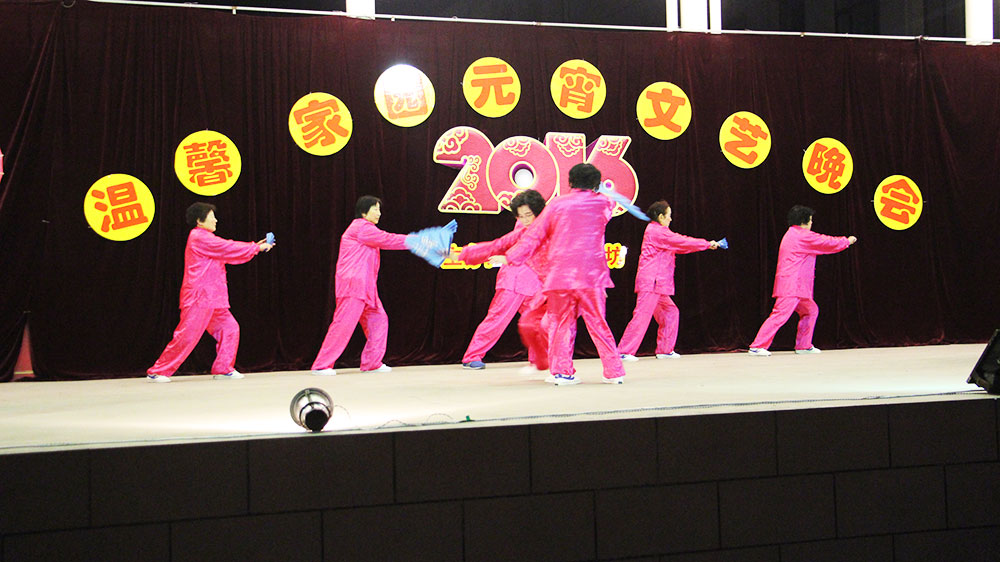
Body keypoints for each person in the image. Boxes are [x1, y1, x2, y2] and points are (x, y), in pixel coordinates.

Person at [505, 163, 626, 385]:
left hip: (562, 275)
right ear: (595, 183)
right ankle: (614, 372)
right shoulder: (605, 203)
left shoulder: (557, 205)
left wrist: (510, 256)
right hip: (592, 275)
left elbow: (534, 236)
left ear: (570, 181)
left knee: (560, 323)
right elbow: (607, 210)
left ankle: (561, 372)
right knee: (598, 323)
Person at [146, 202, 273, 382]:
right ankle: (158, 370)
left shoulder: (207, 239)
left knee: (230, 328)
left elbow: (229, 253)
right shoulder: (198, 237)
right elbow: (227, 247)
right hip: (199, 297)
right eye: (212, 217)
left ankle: (223, 368)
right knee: (187, 335)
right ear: (199, 220)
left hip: (214, 297)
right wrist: (255, 248)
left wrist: (254, 248)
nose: (215, 220)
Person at [311, 196, 409, 376]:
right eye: (375, 209)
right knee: (343, 324)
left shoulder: (366, 229)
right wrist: (421, 240)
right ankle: (321, 365)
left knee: (379, 320)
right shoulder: (362, 228)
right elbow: (389, 240)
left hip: (366, 287)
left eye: (379, 209)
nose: (379, 213)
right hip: (353, 285)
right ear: (364, 212)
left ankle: (372, 363)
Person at [456, 189, 549, 371]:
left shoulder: (546, 225)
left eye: (528, 214)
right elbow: (503, 245)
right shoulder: (523, 229)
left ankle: (537, 358)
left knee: (536, 323)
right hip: (514, 280)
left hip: (536, 283)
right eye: (521, 216)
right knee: (497, 318)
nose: (525, 219)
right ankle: (472, 356)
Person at [748, 205, 856, 356]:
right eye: (810, 220)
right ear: (804, 221)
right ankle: (757, 346)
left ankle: (804, 346)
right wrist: (847, 241)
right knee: (780, 315)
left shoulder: (793, 234)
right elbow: (825, 242)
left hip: (797, 285)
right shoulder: (801, 236)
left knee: (810, 310)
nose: (811, 223)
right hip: (791, 285)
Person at [618, 200, 719, 361]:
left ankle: (665, 350)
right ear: (660, 216)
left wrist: (705, 245)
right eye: (669, 215)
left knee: (670, 312)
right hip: (652, 281)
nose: (670, 219)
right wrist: (706, 243)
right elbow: (682, 241)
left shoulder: (660, 233)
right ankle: (624, 351)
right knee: (642, 315)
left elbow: (681, 246)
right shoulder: (657, 232)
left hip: (658, 283)